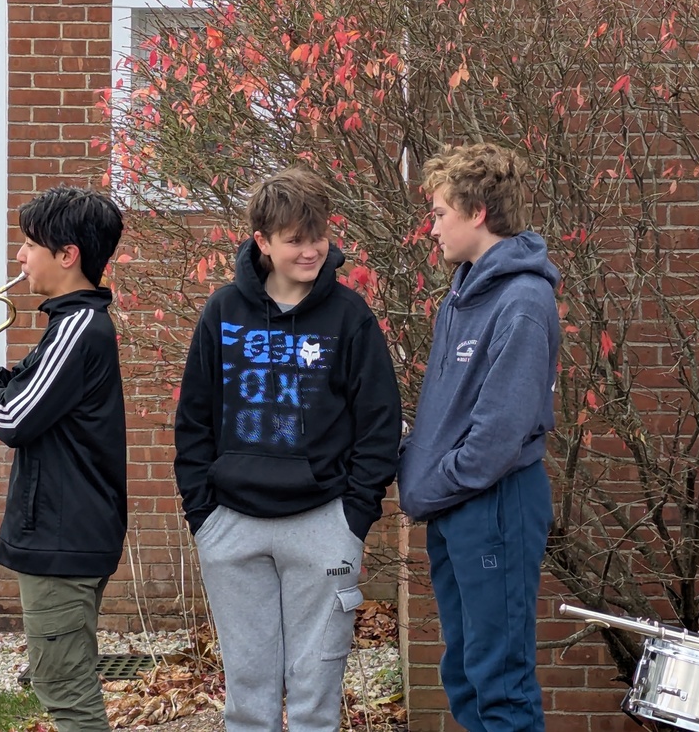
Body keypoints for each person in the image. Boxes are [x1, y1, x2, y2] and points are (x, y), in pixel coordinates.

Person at [173, 166, 402, 732]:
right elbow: (194, 419)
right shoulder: (222, 312)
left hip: (324, 521)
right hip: (231, 525)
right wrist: (203, 514)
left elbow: (379, 422)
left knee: (314, 701)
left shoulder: (350, 318)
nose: (311, 250)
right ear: (263, 243)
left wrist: (354, 515)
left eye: (317, 236)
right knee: (247, 701)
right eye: (295, 239)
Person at [0, 186, 127, 732]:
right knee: (60, 680)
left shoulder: (80, 328)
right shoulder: (69, 324)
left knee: (64, 687)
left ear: (67, 255)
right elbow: (27, 396)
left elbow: (13, 418)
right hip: (62, 531)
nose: (19, 256)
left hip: (64, 535)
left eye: (30, 244)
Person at [397, 142, 559, 732]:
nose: (432, 227)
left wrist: (431, 484)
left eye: (440, 213)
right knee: (465, 673)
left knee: (501, 683)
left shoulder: (522, 301)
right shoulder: (463, 293)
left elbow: (498, 434)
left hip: (494, 506)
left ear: (477, 213)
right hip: (456, 508)